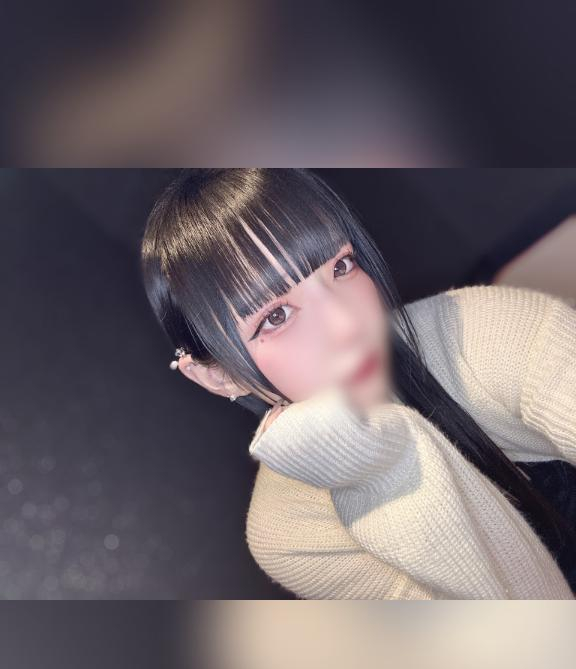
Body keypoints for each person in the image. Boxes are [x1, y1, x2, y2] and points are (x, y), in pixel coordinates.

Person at [140, 168, 576, 600]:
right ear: (220, 376)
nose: (347, 323)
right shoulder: (290, 532)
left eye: (341, 266)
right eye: (276, 316)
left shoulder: (487, 330)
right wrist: (380, 463)